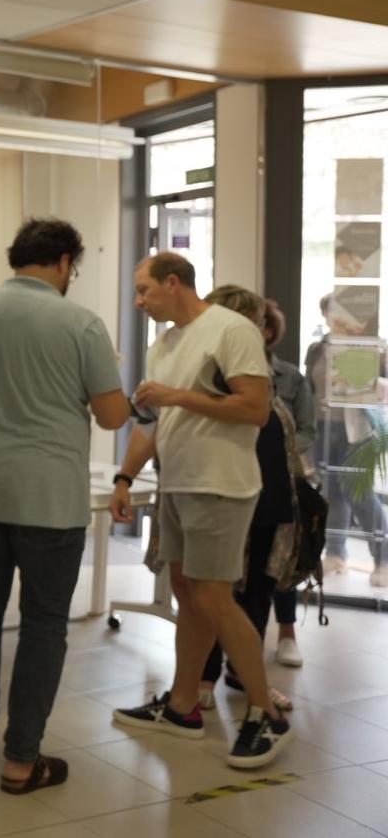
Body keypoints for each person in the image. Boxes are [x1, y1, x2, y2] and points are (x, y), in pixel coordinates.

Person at [0, 219, 129, 794]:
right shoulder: (81, 324)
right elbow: (112, 415)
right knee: (44, 624)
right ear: (66, 262)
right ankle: (22, 760)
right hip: (48, 495)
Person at [112, 253, 291, 768]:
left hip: (220, 485)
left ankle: (266, 715)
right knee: (189, 595)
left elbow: (254, 410)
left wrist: (180, 396)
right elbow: (152, 423)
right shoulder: (163, 345)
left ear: (175, 283)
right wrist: (126, 477)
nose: (139, 302)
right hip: (178, 484)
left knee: (213, 597)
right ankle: (182, 705)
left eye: (145, 291)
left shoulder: (231, 330)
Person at [195, 287, 307, 714]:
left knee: (257, 592)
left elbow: (287, 433)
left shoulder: (276, 373)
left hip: (270, 494)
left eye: (254, 322)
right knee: (211, 592)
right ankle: (202, 676)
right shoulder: (202, 368)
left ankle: (245, 674)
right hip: (221, 492)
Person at [305, 294, 388, 588]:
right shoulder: (317, 349)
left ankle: (384, 559)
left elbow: (383, 387)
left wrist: (367, 382)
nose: (335, 318)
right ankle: (336, 555)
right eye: (330, 312)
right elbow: (309, 390)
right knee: (332, 495)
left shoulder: (373, 347)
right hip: (324, 428)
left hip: (358, 429)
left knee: (361, 495)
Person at [263, 299, 313, 668]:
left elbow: (307, 428)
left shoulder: (291, 377)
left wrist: (284, 450)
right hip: (240, 478)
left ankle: (287, 633)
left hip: (286, 479)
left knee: (284, 557)